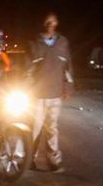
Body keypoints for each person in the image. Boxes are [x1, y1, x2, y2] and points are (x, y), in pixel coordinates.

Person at [27, 13, 73, 172]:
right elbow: (27, 68)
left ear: (56, 23)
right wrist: (26, 87)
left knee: (52, 129)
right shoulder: (34, 43)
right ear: (43, 23)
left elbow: (67, 66)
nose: (50, 24)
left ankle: (54, 162)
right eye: (47, 21)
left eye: (53, 21)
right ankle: (28, 160)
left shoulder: (62, 43)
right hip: (37, 95)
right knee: (34, 128)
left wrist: (68, 87)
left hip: (55, 94)